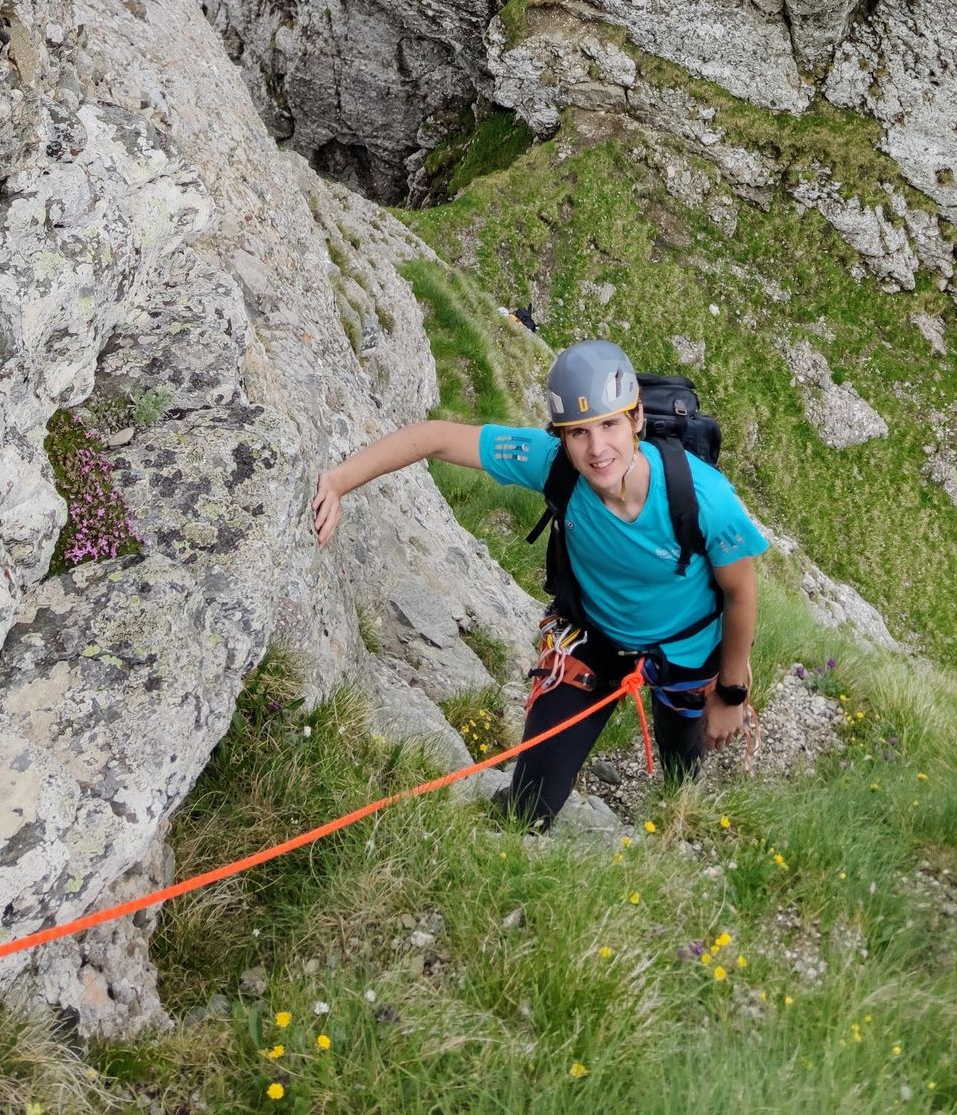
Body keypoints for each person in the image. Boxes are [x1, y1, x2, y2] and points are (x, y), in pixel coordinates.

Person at [313, 340, 765, 827]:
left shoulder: (704, 498)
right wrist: (339, 481)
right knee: (528, 809)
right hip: (596, 643)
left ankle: (679, 819)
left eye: (610, 423)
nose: (597, 449)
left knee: (683, 768)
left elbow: (741, 593)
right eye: (578, 433)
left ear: (637, 419)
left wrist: (730, 693)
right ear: (561, 437)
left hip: (686, 654)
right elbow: (436, 437)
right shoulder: (551, 463)